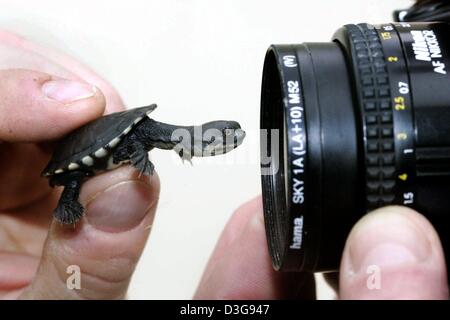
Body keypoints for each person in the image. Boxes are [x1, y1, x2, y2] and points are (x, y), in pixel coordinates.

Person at [0, 30, 447, 300]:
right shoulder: (144, 132)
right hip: (72, 164)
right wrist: (132, 162)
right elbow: (138, 143)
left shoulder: (157, 134)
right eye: (221, 140)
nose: (227, 145)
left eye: (225, 140)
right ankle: (70, 205)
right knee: (75, 186)